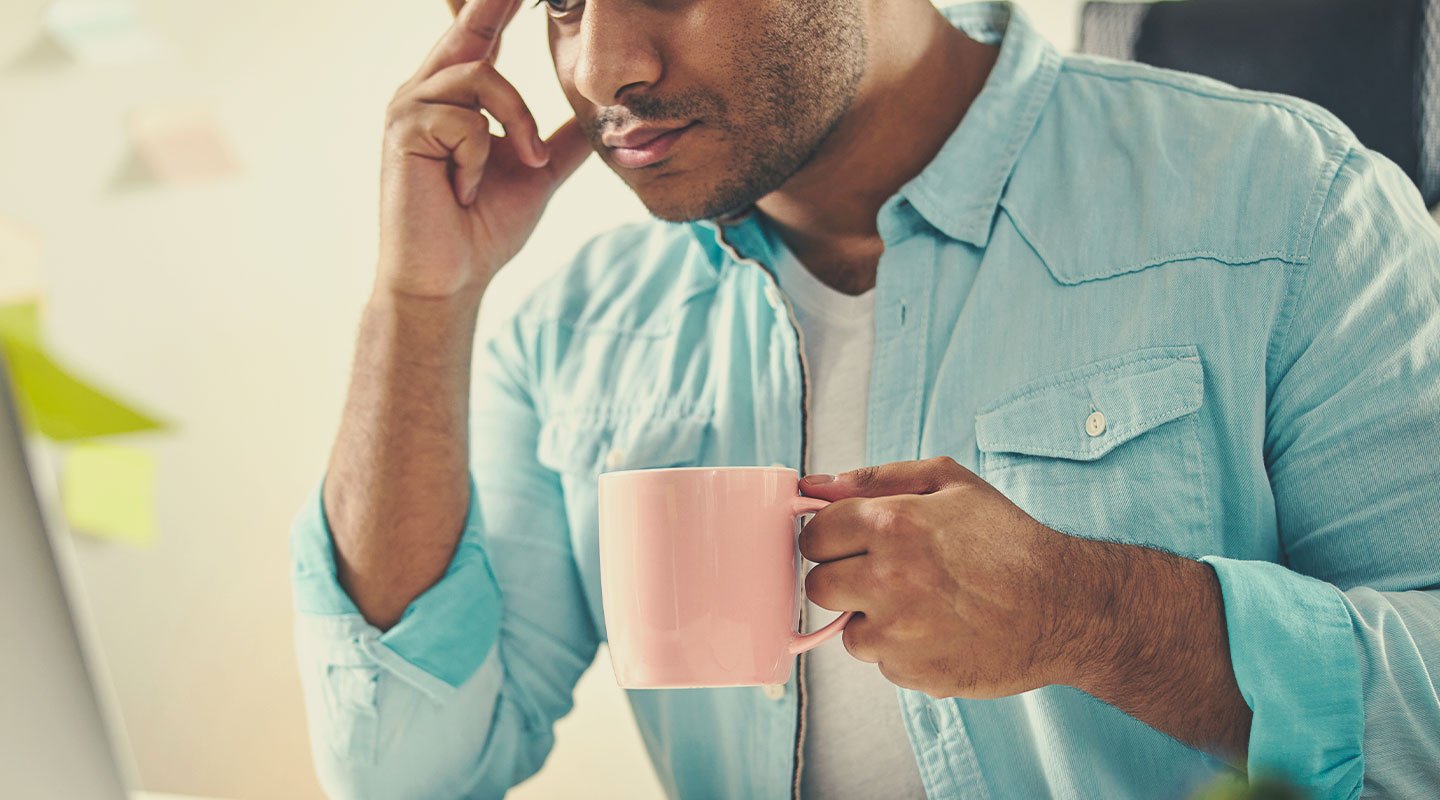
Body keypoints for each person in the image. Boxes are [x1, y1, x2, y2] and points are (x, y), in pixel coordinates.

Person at [287, 0, 1440, 796]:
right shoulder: (574, 335)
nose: (599, 73)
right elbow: (403, 768)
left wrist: (1093, 612)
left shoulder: (1285, 204)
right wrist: (418, 300)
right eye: (563, 0)